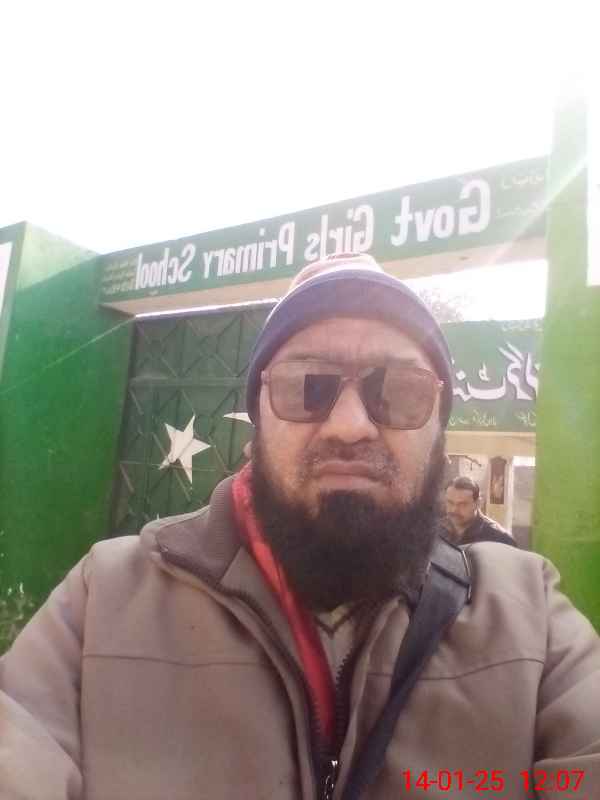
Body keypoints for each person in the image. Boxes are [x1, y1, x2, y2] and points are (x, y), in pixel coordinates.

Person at [1, 253, 599, 800]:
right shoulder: (103, 600)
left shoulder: (530, 617)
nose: (349, 426)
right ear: (256, 421)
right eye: (306, 387)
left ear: (439, 427)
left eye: (398, 392)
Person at [444, 475, 518, 547]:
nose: (454, 509)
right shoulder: (439, 530)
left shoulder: (500, 539)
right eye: (450, 502)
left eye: (462, 504)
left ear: (478, 503)